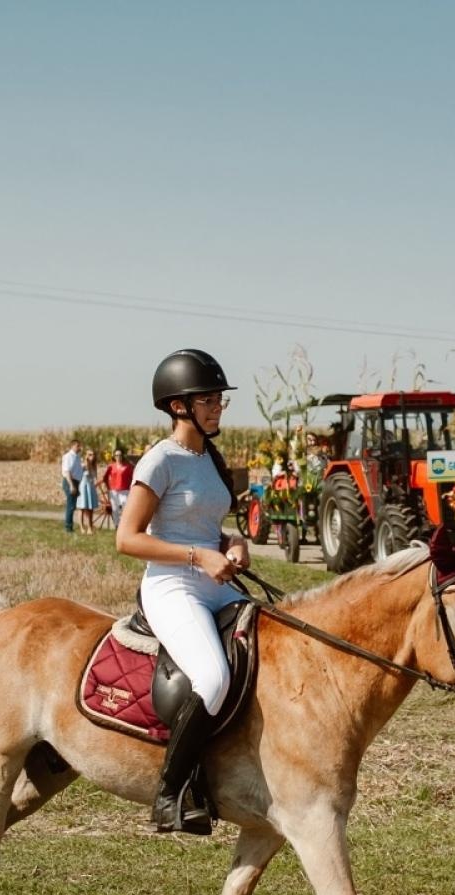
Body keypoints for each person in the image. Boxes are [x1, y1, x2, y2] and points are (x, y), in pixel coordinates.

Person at [115, 348, 249, 835]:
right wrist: (199, 556)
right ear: (179, 406)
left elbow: (211, 527)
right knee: (212, 677)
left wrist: (233, 544)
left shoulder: (211, 457)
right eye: (208, 400)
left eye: (219, 400)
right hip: (172, 585)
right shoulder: (160, 460)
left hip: (215, 581)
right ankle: (169, 794)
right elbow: (127, 539)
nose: (217, 408)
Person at [100, 447, 135, 527]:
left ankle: (125, 525)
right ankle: (117, 525)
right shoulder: (111, 467)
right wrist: (108, 487)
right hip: (114, 491)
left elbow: (133, 478)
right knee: (115, 510)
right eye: (116, 455)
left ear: (122, 456)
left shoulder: (128, 467)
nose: (118, 457)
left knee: (125, 509)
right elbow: (105, 478)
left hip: (125, 491)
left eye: (120, 455)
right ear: (114, 456)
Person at [59, 440, 84, 533]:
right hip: (70, 481)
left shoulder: (77, 457)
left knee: (73, 505)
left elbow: (78, 469)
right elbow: (67, 472)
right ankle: (68, 527)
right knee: (70, 505)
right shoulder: (68, 456)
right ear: (72, 446)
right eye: (78, 446)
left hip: (76, 482)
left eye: (79, 446)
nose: (79, 448)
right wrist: (71, 485)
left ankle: (69, 526)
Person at [75, 448, 100, 535]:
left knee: (90, 508)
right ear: (86, 456)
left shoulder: (94, 465)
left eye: (93, 454)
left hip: (91, 487)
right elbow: (77, 475)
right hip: (83, 487)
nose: (91, 456)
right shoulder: (83, 465)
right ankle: (81, 527)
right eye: (89, 454)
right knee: (82, 507)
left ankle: (90, 527)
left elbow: (95, 477)